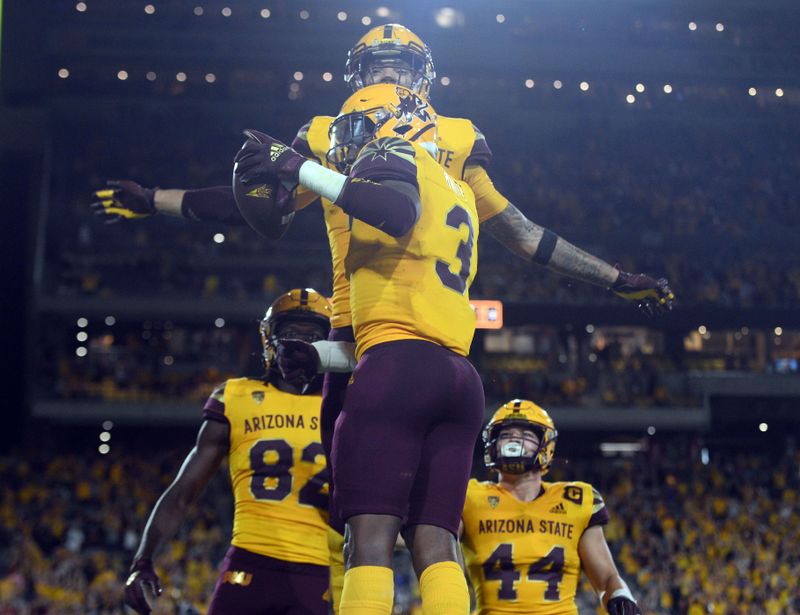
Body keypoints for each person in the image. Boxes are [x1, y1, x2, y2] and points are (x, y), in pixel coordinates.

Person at [93, 22, 673, 610]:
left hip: (384, 346)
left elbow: (505, 232)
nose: (388, 77)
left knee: (366, 540)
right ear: (362, 76)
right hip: (417, 351)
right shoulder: (404, 143)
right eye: (378, 67)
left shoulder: (372, 141)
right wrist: (161, 201)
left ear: (419, 77)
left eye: (398, 67)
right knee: (429, 540)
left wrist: (616, 279)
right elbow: (253, 202)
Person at [234, 83, 486, 615]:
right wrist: (322, 357)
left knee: (368, 544)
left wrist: (296, 166)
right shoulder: (460, 190)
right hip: (460, 378)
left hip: (396, 369)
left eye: (358, 126)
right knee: (436, 544)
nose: (346, 142)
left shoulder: (393, 160)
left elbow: (393, 213)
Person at [124, 289, 334, 615]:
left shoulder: (342, 406)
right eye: (290, 334)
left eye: (313, 337)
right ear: (270, 339)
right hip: (251, 558)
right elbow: (183, 492)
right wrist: (143, 558)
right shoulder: (236, 396)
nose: (300, 344)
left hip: (320, 567)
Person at [460, 399, 641, 615]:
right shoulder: (470, 497)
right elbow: (433, 537)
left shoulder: (576, 500)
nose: (514, 440)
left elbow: (606, 578)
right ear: (493, 443)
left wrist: (621, 596)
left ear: (545, 446)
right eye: (506, 435)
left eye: (526, 436)